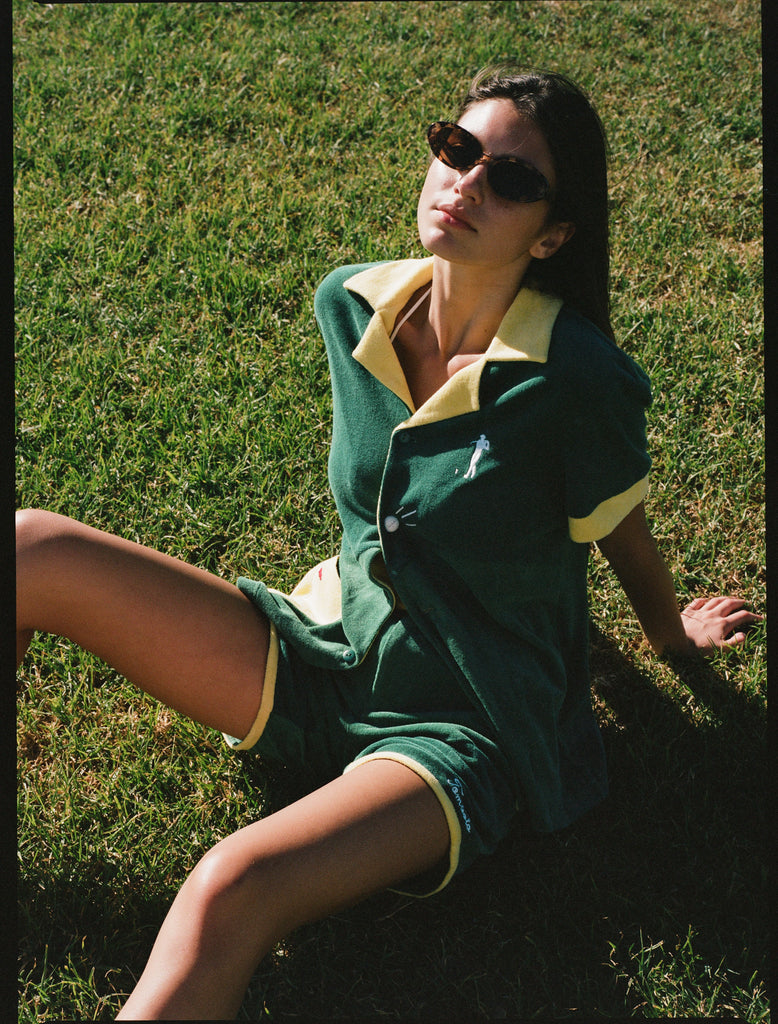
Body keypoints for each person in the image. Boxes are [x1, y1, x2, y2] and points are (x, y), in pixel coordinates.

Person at [16, 65, 760, 1021]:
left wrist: (668, 638)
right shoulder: (352, 305)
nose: (467, 184)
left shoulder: (576, 379)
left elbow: (614, 522)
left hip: (459, 730)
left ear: (555, 233)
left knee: (231, 887)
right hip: (328, 649)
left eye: (513, 180)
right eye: (457, 150)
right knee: (29, 549)